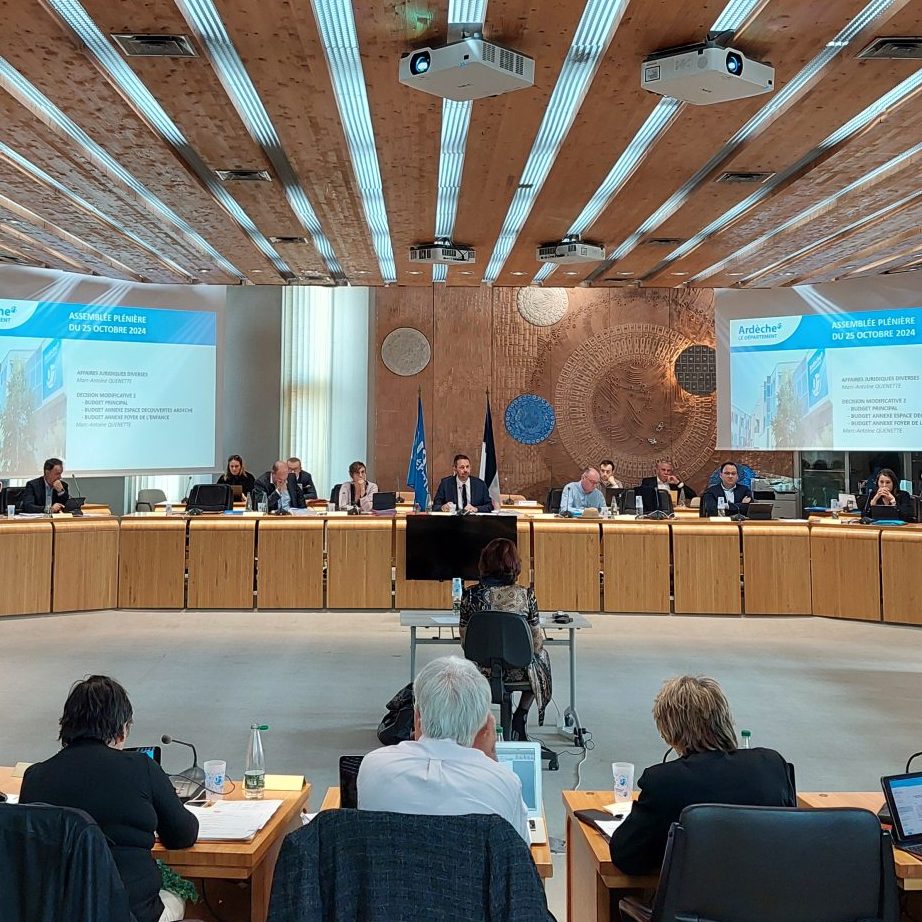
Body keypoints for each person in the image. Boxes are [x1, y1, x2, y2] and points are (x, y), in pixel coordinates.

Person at [19, 675, 199, 922]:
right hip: (131, 913)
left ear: (66, 726)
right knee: (177, 892)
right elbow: (182, 835)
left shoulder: (35, 777)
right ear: (122, 729)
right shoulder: (141, 767)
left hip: (56, 913)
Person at [609, 675, 796, 876]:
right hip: (771, 891)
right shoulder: (772, 764)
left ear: (669, 732)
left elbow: (626, 857)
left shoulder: (664, 781)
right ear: (725, 719)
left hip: (696, 895)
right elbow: (790, 834)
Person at [357, 656, 530, 842]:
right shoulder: (505, 784)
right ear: (486, 726)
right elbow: (518, 852)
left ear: (417, 717)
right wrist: (491, 762)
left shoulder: (373, 766)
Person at [460, 538, 551, 737]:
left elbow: (466, 641)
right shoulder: (526, 595)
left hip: (481, 670)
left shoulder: (470, 595)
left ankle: (481, 720)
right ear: (514, 565)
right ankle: (522, 714)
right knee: (542, 657)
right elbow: (536, 644)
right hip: (519, 669)